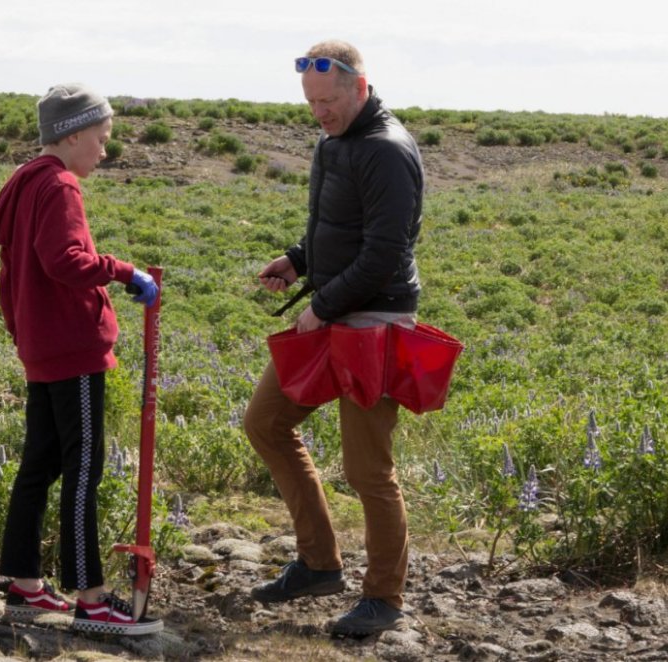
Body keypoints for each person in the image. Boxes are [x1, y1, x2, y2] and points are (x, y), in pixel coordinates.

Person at [244, 40, 424, 638]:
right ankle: (319, 564)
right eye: (312, 102)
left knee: (367, 468)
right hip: (332, 311)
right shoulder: (335, 141)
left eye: (329, 101)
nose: (319, 112)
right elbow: (338, 229)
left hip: (373, 323)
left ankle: (385, 599)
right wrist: (298, 261)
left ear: (360, 88)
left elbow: (384, 254)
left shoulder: (387, 150)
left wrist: (320, 307)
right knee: (266, 422)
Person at [0, 83, 162, 636]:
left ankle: (25, 586)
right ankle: (91, 598)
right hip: (72, 350)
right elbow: (65, 261)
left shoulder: (22, 183)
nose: (104, 151)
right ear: (71, 134)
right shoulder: (59, 184)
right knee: (83, 467)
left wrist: (22, 332)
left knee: (38, 464)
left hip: (41, 347)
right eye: (102, 138)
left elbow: (12, 271)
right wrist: (122, 270)